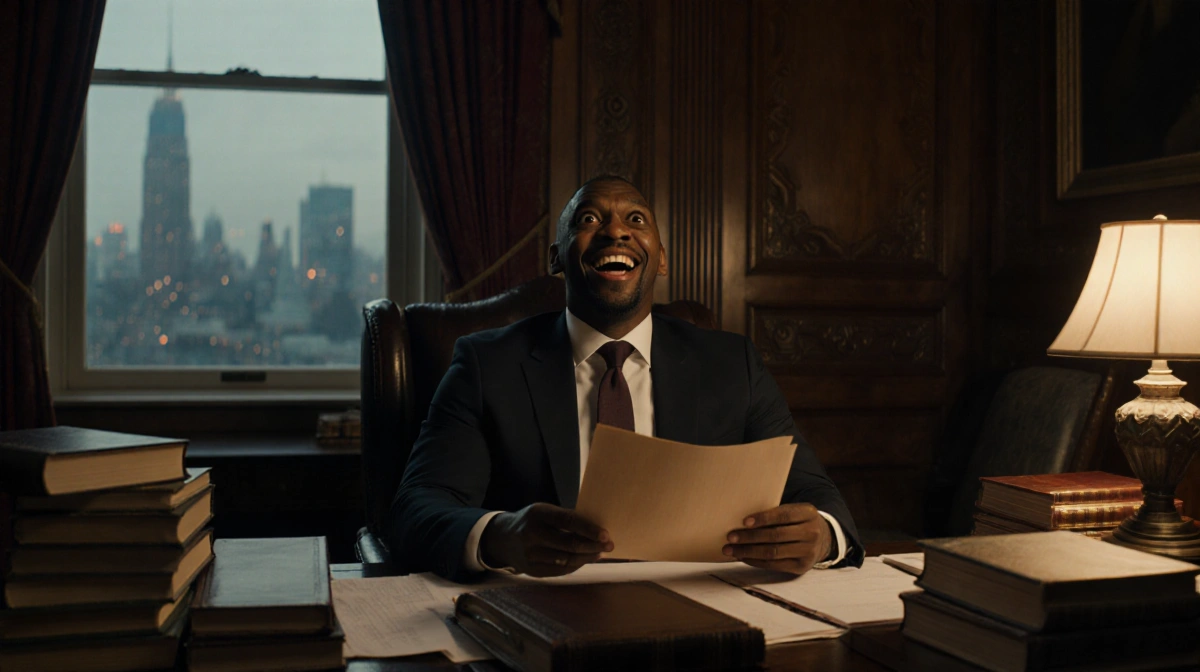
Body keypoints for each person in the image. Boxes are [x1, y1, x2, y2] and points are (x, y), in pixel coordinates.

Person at [388, 176, 862, 582]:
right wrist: (500, 536)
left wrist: (822, 537)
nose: (615, 230)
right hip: (543, 614)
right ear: (557, 258)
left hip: (696, 615)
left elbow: (820, 499)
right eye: (589, 220)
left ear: (660, 259)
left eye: (636, 220)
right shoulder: (486, 364)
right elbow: (417, 508)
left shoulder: (730, 363)